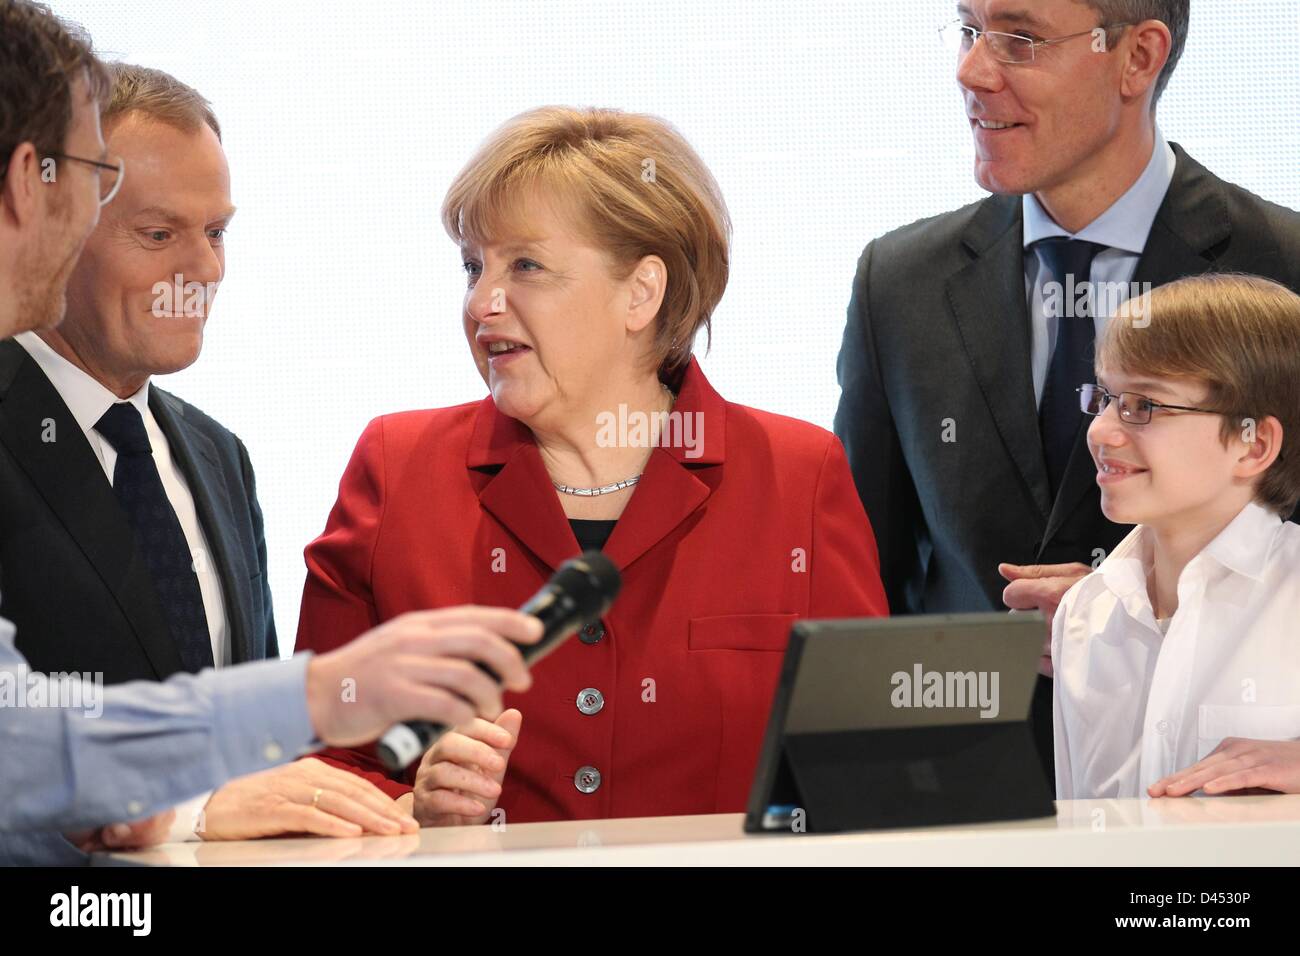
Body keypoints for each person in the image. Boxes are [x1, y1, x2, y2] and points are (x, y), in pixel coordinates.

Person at [0, 0, 538, 861]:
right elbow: (20, 744)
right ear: (60, 214)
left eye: (216, 233)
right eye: (158, 233)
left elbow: (273, 774)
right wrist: (198, 803)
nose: (204, 269)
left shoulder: (217, 457)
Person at [295, 106, 889, 825]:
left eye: (526, 266)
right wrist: (414, 810)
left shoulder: (798, 475)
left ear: (640, 293)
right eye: (473, 267)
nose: (483, 301)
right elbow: (319, 760)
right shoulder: (396, 469)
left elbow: (867, 770)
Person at [832, 0, 1300, 780]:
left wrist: (1120, 612)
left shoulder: (1286, 267)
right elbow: (861, 575)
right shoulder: (899, 282)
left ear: (1138, 58)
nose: (971, 70)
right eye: (970, 30)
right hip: (956, 799)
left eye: (1019, 39)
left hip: (1205, 818)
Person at [1053, 275, 1300, 799]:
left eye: (1145, 405)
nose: (1100, 431)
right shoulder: (1083, 611)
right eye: (1105, 397)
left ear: (1253, 445)